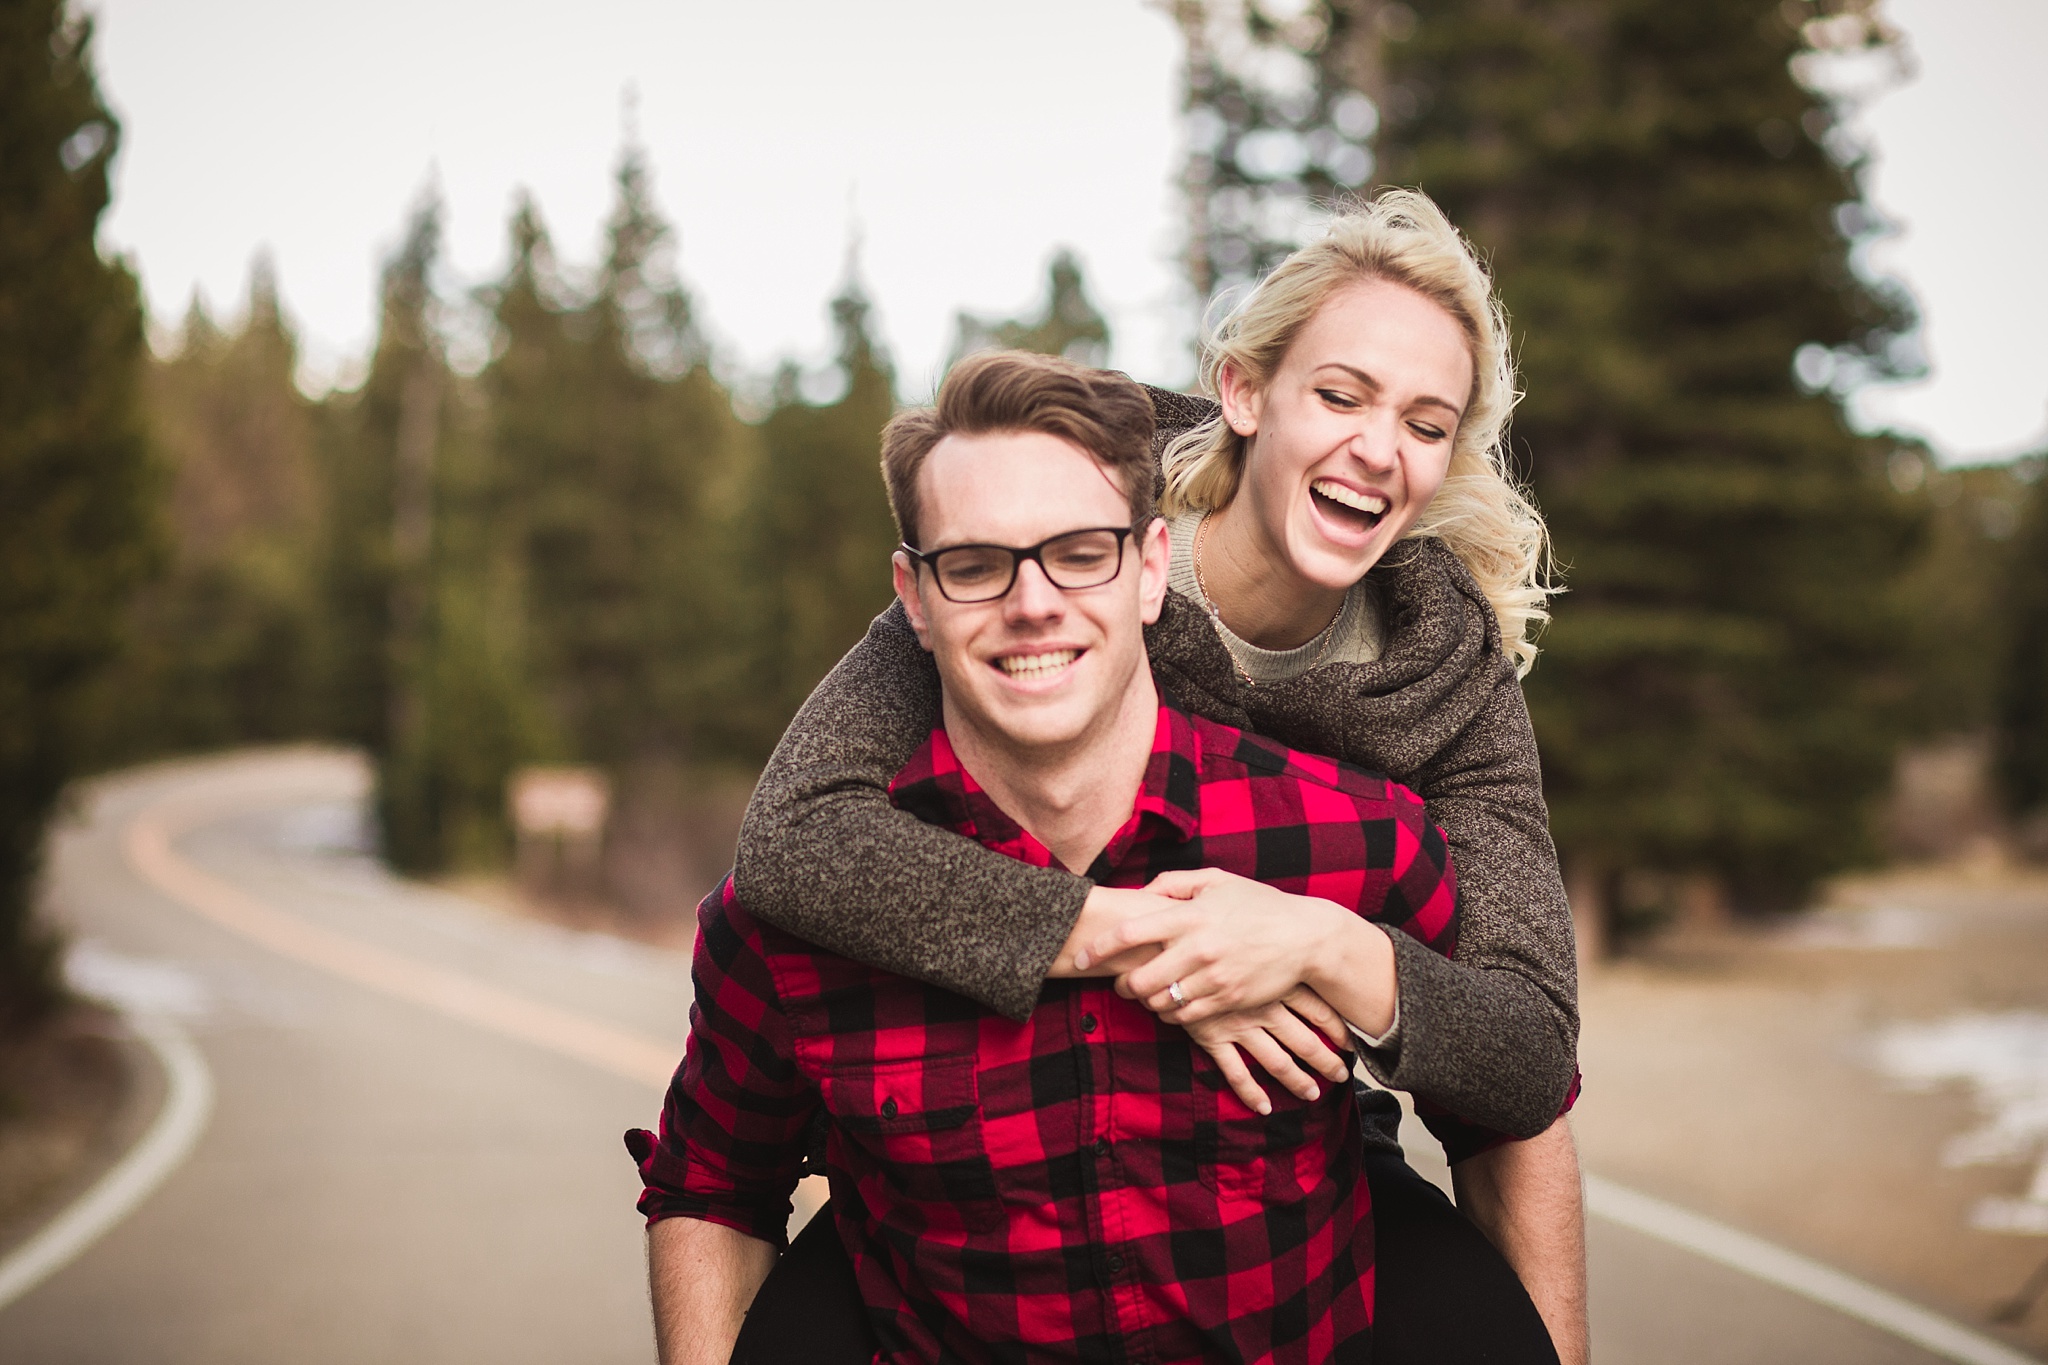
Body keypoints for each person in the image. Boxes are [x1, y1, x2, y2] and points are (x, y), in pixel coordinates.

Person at [732, 188, 1586, 1363]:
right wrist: (1134, 935)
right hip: (975, 1126)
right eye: (1338, 395)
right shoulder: (1059, 557)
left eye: (1424, 422)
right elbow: (795, 836)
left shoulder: (1445, 682)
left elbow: (1525, 1045)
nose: (1376, 448)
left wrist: (1319, 946)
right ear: (1244, 392)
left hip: (1271, 1133)